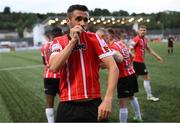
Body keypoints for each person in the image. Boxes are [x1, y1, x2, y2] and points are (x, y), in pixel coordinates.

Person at [49, 4, 119, 122]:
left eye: (85, 19)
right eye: (78, 19)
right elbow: (54, 67)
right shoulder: (59, 41)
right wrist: (72, 42)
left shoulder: (95, 38)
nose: (82, 23)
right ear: (68, 20)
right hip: (68, 105)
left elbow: (113, 67)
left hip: (94, 104)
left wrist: (107, 99)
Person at [96, 28, 142, 123]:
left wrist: (98, 64)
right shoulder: (120, 43)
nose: (102, 39)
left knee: (122, 103)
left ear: (109, 36)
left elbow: (109, 64)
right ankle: (139, 117)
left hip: (124, 77)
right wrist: (127, 65)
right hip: (132, 74)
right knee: (132, 96)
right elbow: (132, 56)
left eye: (103, 37)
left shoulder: (112, 47)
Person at [129, 25, 163, 102]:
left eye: (144, 30)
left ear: (146, 31)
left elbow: (149, 50)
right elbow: (129, 48)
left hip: (138, 62)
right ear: (138, 31)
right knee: (146, 78)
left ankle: (129, 93)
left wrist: (157, 56)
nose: (142, 31)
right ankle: (149, 96)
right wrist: (131, 54)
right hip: (138, 62)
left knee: (134, 79)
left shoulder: (144, 40)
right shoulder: (136, 39)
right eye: (141, 30)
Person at [41, 27, 63, 123]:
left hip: (48, 76)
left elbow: (44, 62)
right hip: (61, 75)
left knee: (49, 103)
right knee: (66, 101)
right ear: (61, 34)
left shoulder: (44, 47)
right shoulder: (63, 44)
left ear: (52, 35)